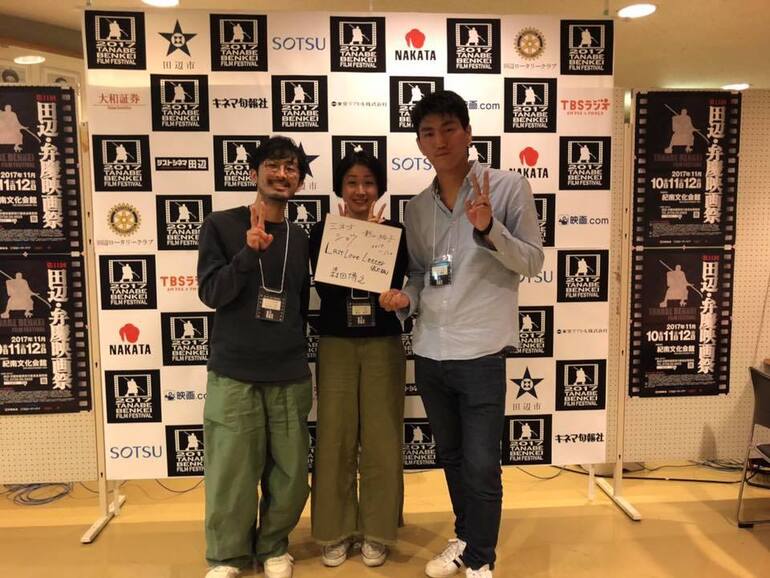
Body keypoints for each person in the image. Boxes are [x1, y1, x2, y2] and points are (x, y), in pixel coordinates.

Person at [380, 90, 544, 578]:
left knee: (481, 463)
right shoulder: (417, 208)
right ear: (419, 143)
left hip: (481, 350)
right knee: (451, 456)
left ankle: (480, 559)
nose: (440, 140)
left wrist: (489, 227)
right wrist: (406, 299)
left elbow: (532, 262)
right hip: (431, 349)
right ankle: (467, 536)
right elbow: (421, 273)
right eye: (428, 132)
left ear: (468, 133)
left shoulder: (507, 188)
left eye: (449, 128)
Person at [197, 136, 312, 578]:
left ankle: (273, 546)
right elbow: (211, 293)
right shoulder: (221, 225)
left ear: (299, 181)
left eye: (291, 168)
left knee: (289, 473)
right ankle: (227, 555)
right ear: (253, 173)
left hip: (288, 372)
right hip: (234, 372)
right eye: (274, 165)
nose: (283, 174)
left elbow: (300, 303)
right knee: (232, 472)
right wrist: (248, 254)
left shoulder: (300, 237)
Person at [309, 151, 408, 568]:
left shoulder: (395, 232)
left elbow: (396, 288)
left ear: (379, 187)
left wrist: (376, 242)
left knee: (383, 437)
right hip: (336, 342)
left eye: (368, 182)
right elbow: (327, 291)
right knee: (334, 436)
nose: (360, 190)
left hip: (383, 342)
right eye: (352, 182)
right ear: (340, 188)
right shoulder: (323, 231)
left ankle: (378, 531)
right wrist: (351, 241)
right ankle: (334, 531)